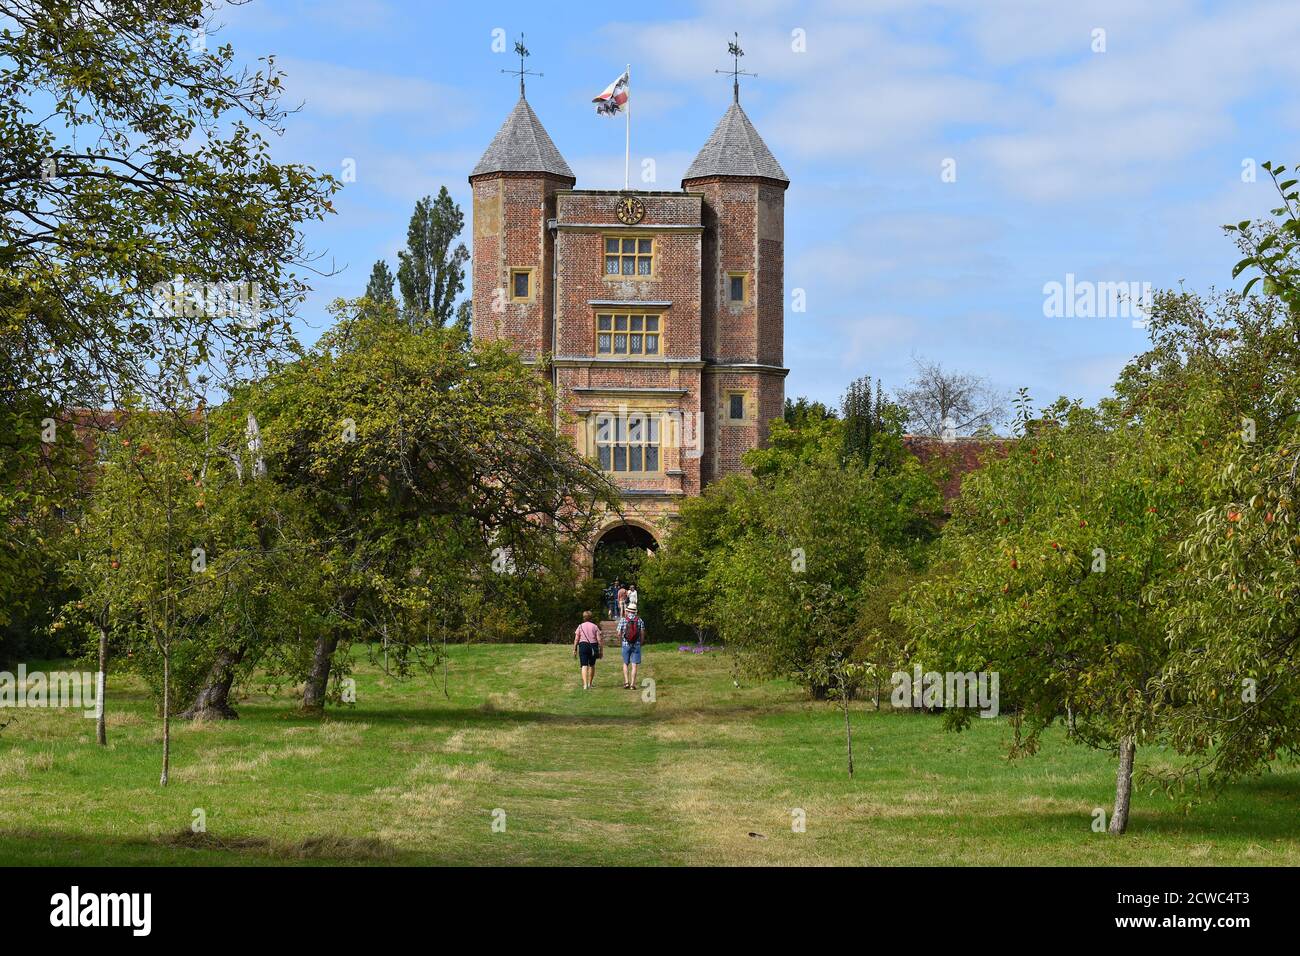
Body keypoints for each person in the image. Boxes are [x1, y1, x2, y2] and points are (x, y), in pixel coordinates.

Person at [618, 604, 646, 690]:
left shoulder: (623, 620)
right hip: (636, 644)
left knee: (625, 663)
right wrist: (641, 642)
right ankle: (632, 684)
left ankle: (626, 682)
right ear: (635, 611)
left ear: (627, 611)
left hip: (626, 644)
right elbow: (642, 633)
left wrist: (621, 641)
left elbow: (619, 633)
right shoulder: (640, 620)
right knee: (634, 665)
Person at [573, 610, 603, 690]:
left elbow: (576, 639)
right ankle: (590, 683)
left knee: (584, 665)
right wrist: (601, 651)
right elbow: (599, 640)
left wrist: (575, 649)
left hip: (583, 645)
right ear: (591, 618)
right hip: (593, 646)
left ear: (584, 618)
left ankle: (585, 685)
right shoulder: (595, 626)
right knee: (592, 665)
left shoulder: (580, 626)